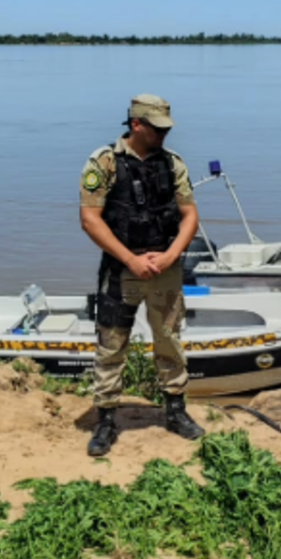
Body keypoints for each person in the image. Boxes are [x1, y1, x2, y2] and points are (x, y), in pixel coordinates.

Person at [79, 93, 205, 456]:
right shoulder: (104, 162)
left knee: (170, 340)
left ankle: (175, 411)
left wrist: (170, 256)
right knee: (111, 343)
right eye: (157, 128)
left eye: (167, 128)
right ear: (136, 124)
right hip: (122, 269)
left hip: (165, 268)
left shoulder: (172, 163)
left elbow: (190, 216)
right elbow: (90, 219)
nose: (164, 134)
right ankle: (106, 420)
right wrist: (130, 260)